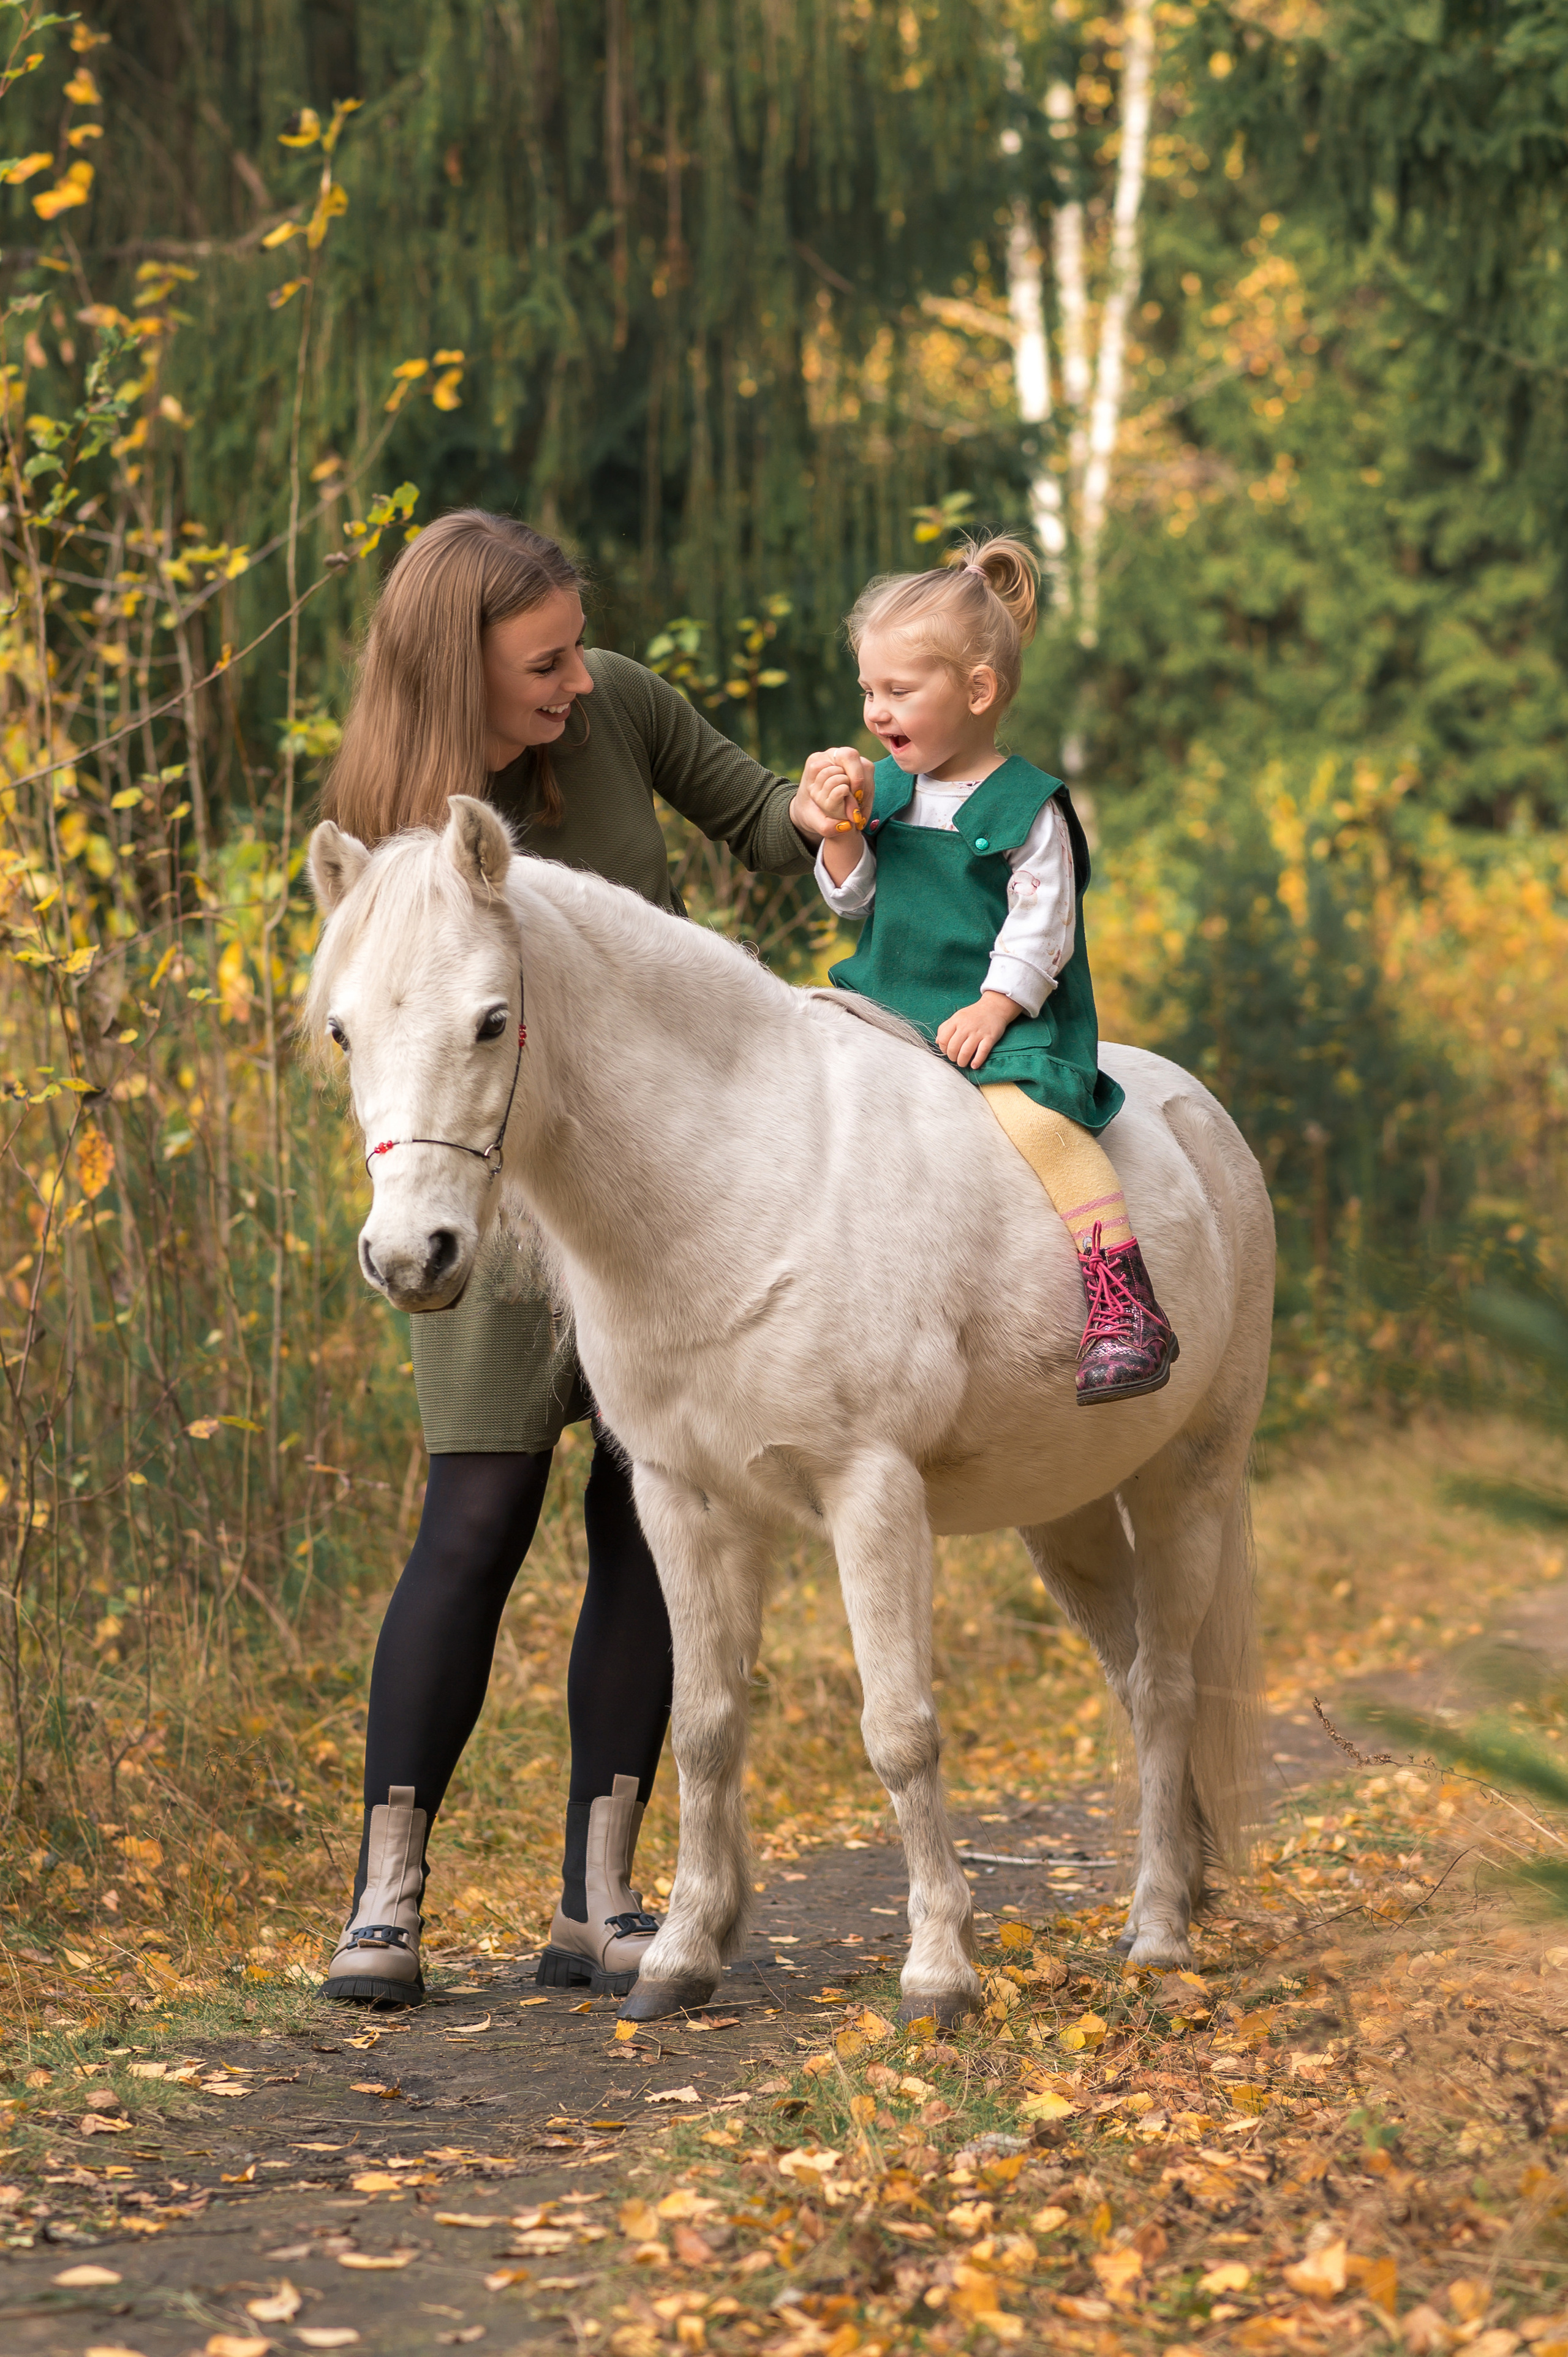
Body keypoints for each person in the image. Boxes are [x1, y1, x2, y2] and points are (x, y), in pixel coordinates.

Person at [316, 509, 844, 2005]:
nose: (575, 682)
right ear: (457, 667)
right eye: (540, 663)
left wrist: (825, 804)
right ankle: (384, 1903)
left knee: (646, 1515)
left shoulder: (620, 708)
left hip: (654, 1202)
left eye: (572, 647)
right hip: (487, 1204)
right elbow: (389, 1039)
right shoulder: (385, 810)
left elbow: (764, 825)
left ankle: (597, 1899)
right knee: (474, 1520)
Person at [798, 534, 1179, 1405]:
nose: (876, 713)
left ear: (976, 691)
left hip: (1001, 1022)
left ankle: (1123, 1304)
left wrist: (997, 1006)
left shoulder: (1028, 807)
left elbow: (1045, 926)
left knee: (1038, 1127)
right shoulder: (886, 789)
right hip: (887, 1005)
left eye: (899, 692)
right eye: (867, 691)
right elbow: (855, 902)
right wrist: (841, 831)